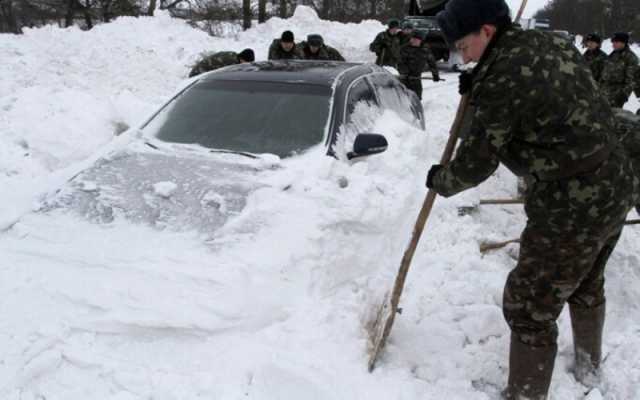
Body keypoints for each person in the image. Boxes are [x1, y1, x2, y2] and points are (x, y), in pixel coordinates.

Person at [429, 0, 639, 398]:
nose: (461, 54)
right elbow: (545, 100)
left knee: (529, 307)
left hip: (572, 201)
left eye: (463, 44)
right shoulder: (550, 45)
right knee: (586, 281)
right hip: (616, 177)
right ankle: (589, 368)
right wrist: (480, 91)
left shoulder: (500, 78)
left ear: (487, 31)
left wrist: (441, 179)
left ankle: (525, 395)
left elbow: (476, 164)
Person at [600, 32, 639, 108]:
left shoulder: (630, 58)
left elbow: (631, 81)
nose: (613, 44)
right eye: (613, 42)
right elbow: (605, 73)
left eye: (616, 42)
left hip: (616, 95)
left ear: (623, 43)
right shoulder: (613, 54)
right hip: (604, 92)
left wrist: (623, 96)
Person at [398, 31, 440, 99]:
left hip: (417, 78)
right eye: (413, 39)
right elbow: (400, 63)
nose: (413, 41)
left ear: (420, 40)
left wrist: (435, 74)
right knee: (404, 97)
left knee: (417, 97)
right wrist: (405, 73)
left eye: (416, 39)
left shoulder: (425, 50)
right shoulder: (404, 48)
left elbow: (432, 63)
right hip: (405, 78)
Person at [188, 49, 254, 78]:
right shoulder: (231, 62)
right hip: (198, 75)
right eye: (247, 62)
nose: (245, 65)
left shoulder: (233, 55)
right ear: (243, 59)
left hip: (202, 72)